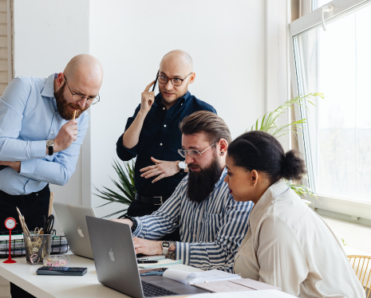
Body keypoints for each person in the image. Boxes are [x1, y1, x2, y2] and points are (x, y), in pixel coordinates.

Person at [0, 54, 103, 298]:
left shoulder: (82, 116)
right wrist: (52, 146)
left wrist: (15, 163)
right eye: (78, 94)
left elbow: (62, 173)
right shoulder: (24, 88)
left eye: (91, 98)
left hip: (36, 204)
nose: (82, 104)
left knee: (31, 287)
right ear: (60, 80)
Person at [225, 131, 365, 298]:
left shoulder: (276, 220)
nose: (226, 179)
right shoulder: (274, 206)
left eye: (230, 173)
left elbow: (274, 296)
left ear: (253, 177)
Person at [113, 111, 253, 272]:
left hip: (216, 285)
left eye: (195, 152)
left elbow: (224, 253)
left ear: (221, 147)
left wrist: (160, 247)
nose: (187, 160)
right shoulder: (188, 181)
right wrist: (129, 224)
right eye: (185, 151)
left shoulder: (238, 191)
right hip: (182, 276)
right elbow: (162, 219)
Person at [116, 50, 217, 235]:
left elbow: (214, 163)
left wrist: (178, 166)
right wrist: (143, 113)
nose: (168, 86)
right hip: (141, 208)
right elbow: (124, 152)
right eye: (163, 77)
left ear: (191, 78)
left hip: (182, 214)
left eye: (177, 79)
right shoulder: (146, 106)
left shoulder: (203, 111)